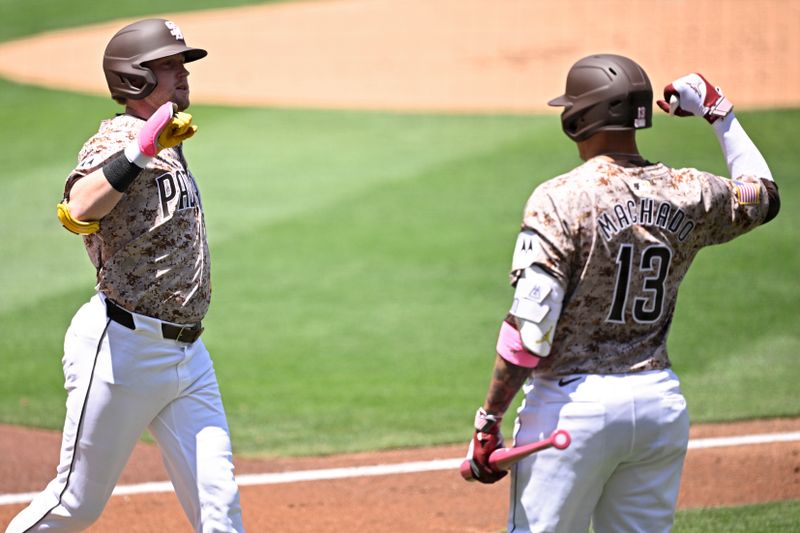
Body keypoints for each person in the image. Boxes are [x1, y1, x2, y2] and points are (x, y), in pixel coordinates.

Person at [464, 54, 779, 532]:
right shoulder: (689, 192)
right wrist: (720, 112)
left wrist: (488, 420)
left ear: (578, 118)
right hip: (658, 406)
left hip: (571, 414)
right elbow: (764, 194)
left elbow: (530, 331)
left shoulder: (560, 197)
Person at [5, 19, 245, 532]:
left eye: (183, 65)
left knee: (219, 506)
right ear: (134, 77)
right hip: (122, 351)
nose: (183, 74)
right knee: (75, 503)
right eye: (168, 65)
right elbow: (78, 206)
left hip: (189, 355)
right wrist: (140, 149)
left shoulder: (169, 137)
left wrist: (156, 142)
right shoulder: (118, 139)